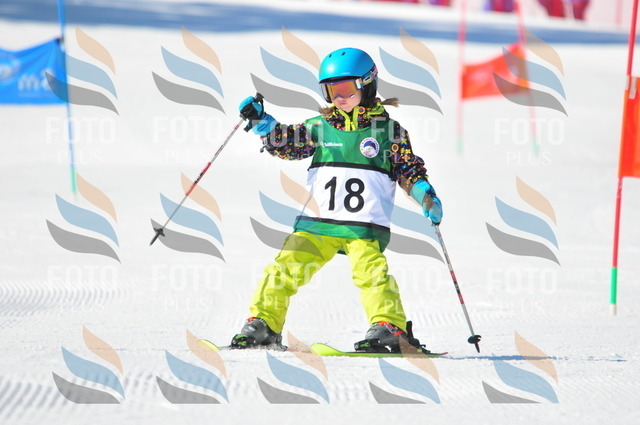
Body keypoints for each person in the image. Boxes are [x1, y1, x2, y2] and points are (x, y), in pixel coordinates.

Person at [231, 47, 442, 353]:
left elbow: (407, 169)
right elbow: (287, 143)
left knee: (372, 275)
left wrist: (424, 194)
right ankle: (264, 322)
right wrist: (263, 122)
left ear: (367, 85)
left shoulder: (388, 132)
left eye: (346, 89)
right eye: (331, 90)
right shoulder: (319, 127)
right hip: (318, 223)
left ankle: (389, 326)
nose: (339, 97)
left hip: (362, 225)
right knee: (283, 269)